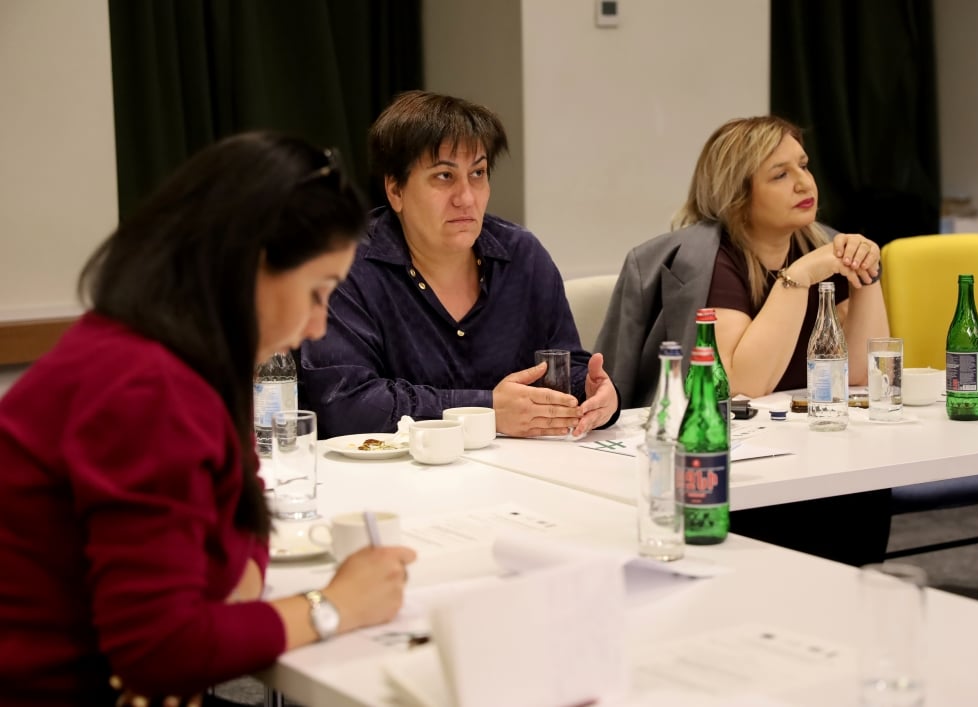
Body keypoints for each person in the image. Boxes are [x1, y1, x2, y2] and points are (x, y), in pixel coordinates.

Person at [0, 133, 416, 705]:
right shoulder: (147, 387)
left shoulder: (176, 359)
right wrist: (334, 605)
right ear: (247, 266)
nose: (320, 325)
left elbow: (235, 557)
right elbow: (159, 650)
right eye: (318, 291)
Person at [598, 116, 891, 566]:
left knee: (864, 486)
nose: (802, 183)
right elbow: (741, 383)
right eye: (780, 174)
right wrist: (798, 278)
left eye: (803, 165)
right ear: (738, 195)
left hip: (810, 451)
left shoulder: (822, 243)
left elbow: (862, 375)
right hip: (729, 470)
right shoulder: (710, 259)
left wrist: (867, 275)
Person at [300, 90, 621, 439]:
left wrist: (593, 395)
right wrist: (486, 411)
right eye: (444, 176)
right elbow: (344, 406)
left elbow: (562, 368)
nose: (466, 198)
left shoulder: (522, 256)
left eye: (478, 173)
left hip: (519, 478)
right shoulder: (347, 267)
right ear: (395, 191)